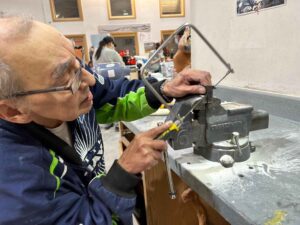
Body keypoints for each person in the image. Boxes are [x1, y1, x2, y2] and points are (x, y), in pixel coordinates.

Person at [0, 15, 212, 225]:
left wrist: (164, 89)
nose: (89, 79)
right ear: (12, 111)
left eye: (79, 63)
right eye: (68, 78)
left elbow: (114, 96)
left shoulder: (80, 84)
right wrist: (121, 177)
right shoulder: (14, 180)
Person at [94, 36, 126, 130]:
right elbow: (122, 66)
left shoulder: (96, 52)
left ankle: (106, 122)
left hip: (99, 82)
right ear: (110, 43)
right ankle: (117, 123)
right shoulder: (111, 52)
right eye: (113, 44)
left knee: (105, 102)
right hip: (112, 82)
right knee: (115, 101)